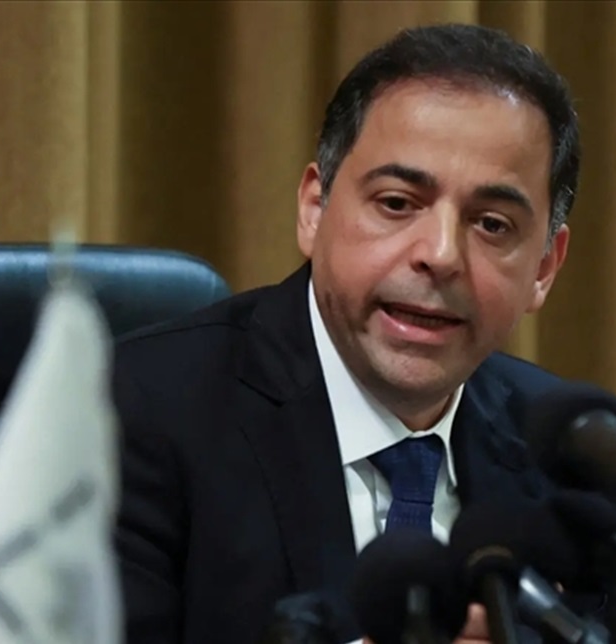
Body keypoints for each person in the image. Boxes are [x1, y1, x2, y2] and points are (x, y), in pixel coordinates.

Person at [112, 24, 579, 644]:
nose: (441, 255)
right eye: (397, 203)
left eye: (492, 224)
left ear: (544, 268)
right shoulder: (136, 413)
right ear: (315, 209)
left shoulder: (566, 452)